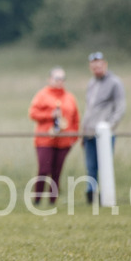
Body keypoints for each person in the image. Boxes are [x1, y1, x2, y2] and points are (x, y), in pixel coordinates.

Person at [28, 67, 80, 205]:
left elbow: (75, 119)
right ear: (50, 79)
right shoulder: (42, 95)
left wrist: (73, 137)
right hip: (45, 139)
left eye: (62, 79)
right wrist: (49, 115)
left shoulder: (70, 97)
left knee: (57, 171)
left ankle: (53, 200)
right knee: (44, 170)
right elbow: (33, 114)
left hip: (64, 141)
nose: (59, 82)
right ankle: (37, 199)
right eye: (57, 78)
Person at [81, 52, 126, 204]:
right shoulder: (91, 83)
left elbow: (120, 108)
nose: (97, 69)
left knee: (104, 165)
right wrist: (84, 129)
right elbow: (89, 108)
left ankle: (105, 195)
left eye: (99, 66)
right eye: (94, 67)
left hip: (104, 133)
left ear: (105, 65)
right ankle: (91, 193)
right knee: (90, 166)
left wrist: (109, 127)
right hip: (89, 133)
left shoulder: (115, 83)